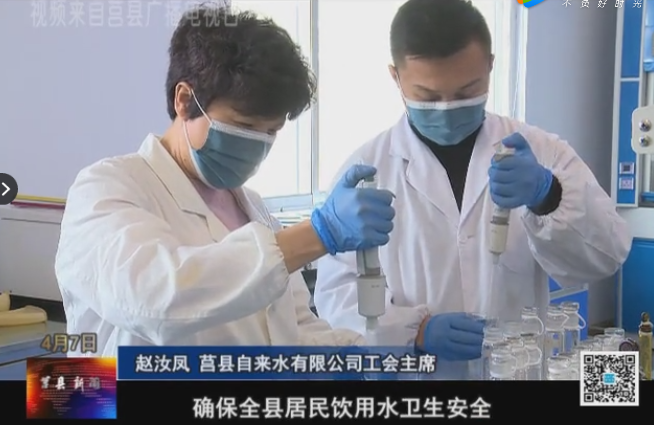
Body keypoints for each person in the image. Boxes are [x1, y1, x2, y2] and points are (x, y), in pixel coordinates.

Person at [313, 0, 631, 378]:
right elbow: (334, 297)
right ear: (395, 77)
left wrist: (549, 196)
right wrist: (414, 331)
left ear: (490, 66)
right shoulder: (366, 170)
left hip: (517, 372)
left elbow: (607, 254)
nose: (447, 109)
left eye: (467, 92)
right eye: (428, 97)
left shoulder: (541, 150)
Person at [54, 6, 395, 356]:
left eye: (271, 131)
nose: (258, 143)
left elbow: (293, 330)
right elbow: (154, 300)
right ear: (184, 100)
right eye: (244, 126)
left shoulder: (253, 209)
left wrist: (359, 356)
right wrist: (317, 234)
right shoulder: (106, 188)